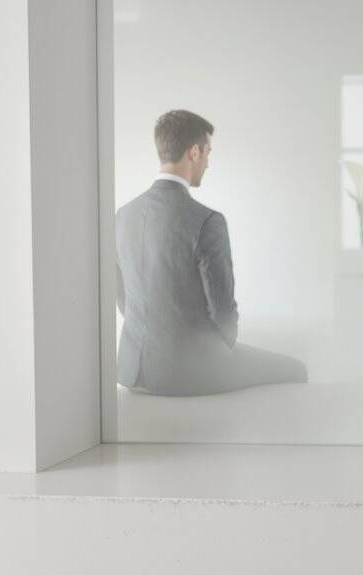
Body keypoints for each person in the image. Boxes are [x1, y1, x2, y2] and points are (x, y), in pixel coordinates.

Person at [115, 109, 307, 396]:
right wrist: (221, 350)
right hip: (191, 371)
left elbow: (122, 294)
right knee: (297, 369)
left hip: (133, 371)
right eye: (207, 153)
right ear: (194, 152)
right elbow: (223, 311)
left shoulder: (123, 215)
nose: (208, 163)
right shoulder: (207, 221)